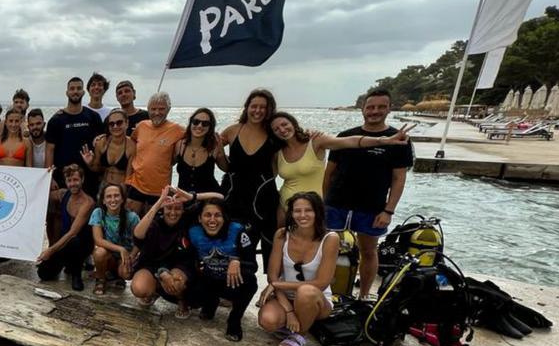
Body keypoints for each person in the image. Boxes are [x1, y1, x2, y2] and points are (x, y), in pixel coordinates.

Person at [323, 89, 415, 297]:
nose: (375, 111)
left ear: (389, 109)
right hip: (337, 203)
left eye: (381, 107)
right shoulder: (345, 136)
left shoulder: (398, 140)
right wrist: (324, 202)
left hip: (371, 206)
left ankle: (363, 295)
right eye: (371, 107)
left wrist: (388, 210)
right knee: (327, 250)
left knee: (368, 251)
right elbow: (329, 173)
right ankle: (326, 292)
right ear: (363, 109)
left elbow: (399, 179)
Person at [270, 111, 411, 224]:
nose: (282, 130)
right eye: (276, 129)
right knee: (284, 250)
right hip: (285, 206)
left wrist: (382, 140)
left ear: (293, 124)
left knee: (314, 252)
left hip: (314, 209)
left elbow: (350, 141)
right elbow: (268, 177)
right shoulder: (277, 151)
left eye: (284, 124)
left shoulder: (315, 141)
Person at [257, 191, 340, 346]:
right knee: (268, 321)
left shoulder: (330, 238)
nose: (302, 215)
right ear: (291, 213)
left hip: (316, 298)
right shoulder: (282, 235)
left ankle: (300, 333)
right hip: (285, 297)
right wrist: (288, 311)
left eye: (308, 210)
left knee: (305, 291)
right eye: (297, 211)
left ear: (317, 212)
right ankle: (294, 321)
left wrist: (278, 284)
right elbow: (273, 276)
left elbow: (322, 283)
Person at [130, 186, 223, 310]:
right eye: (169, 208)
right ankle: (155, 290)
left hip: (180, 266)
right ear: (163, 209)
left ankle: (181, 299)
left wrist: (191, 197)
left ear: (183, 210)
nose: (173, 213)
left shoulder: (188, 219)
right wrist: (159, 203)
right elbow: (138, 234)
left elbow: (220, 198)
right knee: (139, 288)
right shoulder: (155, 223)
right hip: (152, 265)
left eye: (177, 208)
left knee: (175, 283)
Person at [217, 88, 279, 262]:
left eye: (263, 107)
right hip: (234, 196)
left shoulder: (274, 134)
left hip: (262, 197)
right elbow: (223, 165)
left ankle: (271, 285)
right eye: (254, 106)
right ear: (247, 107)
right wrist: (220, 156)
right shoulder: (232, 131)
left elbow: (277, 166)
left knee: (268, 244)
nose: (257, 111)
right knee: (232, 241)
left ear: (269, 110)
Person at [186, 199, 259, 341]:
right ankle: (210, 304)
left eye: (217, 215)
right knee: (191, 293)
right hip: (208, 278)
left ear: (225, 217)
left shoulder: (238, 232)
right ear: (200, 218)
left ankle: (234, 320)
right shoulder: (193, 233)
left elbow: (253, 265)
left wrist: (237, 260)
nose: (212, 220)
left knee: (250, 281)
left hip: (230, 281)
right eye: (207, 215)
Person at [38, 164, 96, 290]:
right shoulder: (63, 194)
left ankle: (76, 275)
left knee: (74, 241)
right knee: (43, 274)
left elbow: (73, 232)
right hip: (64, 244)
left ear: (82, 180)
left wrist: (50, 250)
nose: (72, 184)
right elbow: (40, 194)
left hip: (81, 244)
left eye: (75, 180)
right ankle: (66, 264)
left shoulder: (88, 202)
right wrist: (47, 177)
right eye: (69, 181)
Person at [124, 91, 182, 213]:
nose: (157, 113)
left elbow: (197, 137)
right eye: (153, 109)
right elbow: (130, 141)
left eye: (161, 109)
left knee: (152, 227)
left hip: (159, 190)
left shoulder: (177, 130)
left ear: (168, 109)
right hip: (135, 185)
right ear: (148, 109)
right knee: (130, 223)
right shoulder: (141, 126)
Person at [45, 77, 104, 194]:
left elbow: (100, 146)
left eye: (78, 88)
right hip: (63, 177)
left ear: (83, 92)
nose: (75, 91)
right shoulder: (56, 120)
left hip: (89, 176)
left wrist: (99, 170)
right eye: (72, 89)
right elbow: (49, 150)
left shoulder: (93, 117)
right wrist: (49, 177)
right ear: (67, 92)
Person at [90, 183, 140, 295]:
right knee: (99, 253)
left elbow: (139, 241)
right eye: (108, 196)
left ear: (122, 199)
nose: (113, 199)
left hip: (125, 256)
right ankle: (101, 279)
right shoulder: (98, 213)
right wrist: (120, 249)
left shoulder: (132, 217)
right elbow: (98, 240)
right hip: (109, 254)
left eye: (116, 195)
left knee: (127, 274)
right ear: (103, 200)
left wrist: (131, 256)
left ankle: (117, 276)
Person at [81, 109, 134, 193]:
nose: (115, 126)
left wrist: (123, 194)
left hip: (121, 188)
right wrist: (90, 163)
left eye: (119, 122)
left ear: (126, 123)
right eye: (111, 124)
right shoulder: (101, 143)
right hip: (104, 186)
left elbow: (129, 177)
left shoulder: (132, 146)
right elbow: (96, 169)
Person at [174, 108, 222, 194]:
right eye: (196, 122)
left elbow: (226, 168)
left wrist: (221, 150)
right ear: (190, 123)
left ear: (210, 127)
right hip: (183, 198)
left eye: (205, 124)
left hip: (208, 199)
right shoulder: (180, 145)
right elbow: (167, 165)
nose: (200, 126)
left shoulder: (214, 147)